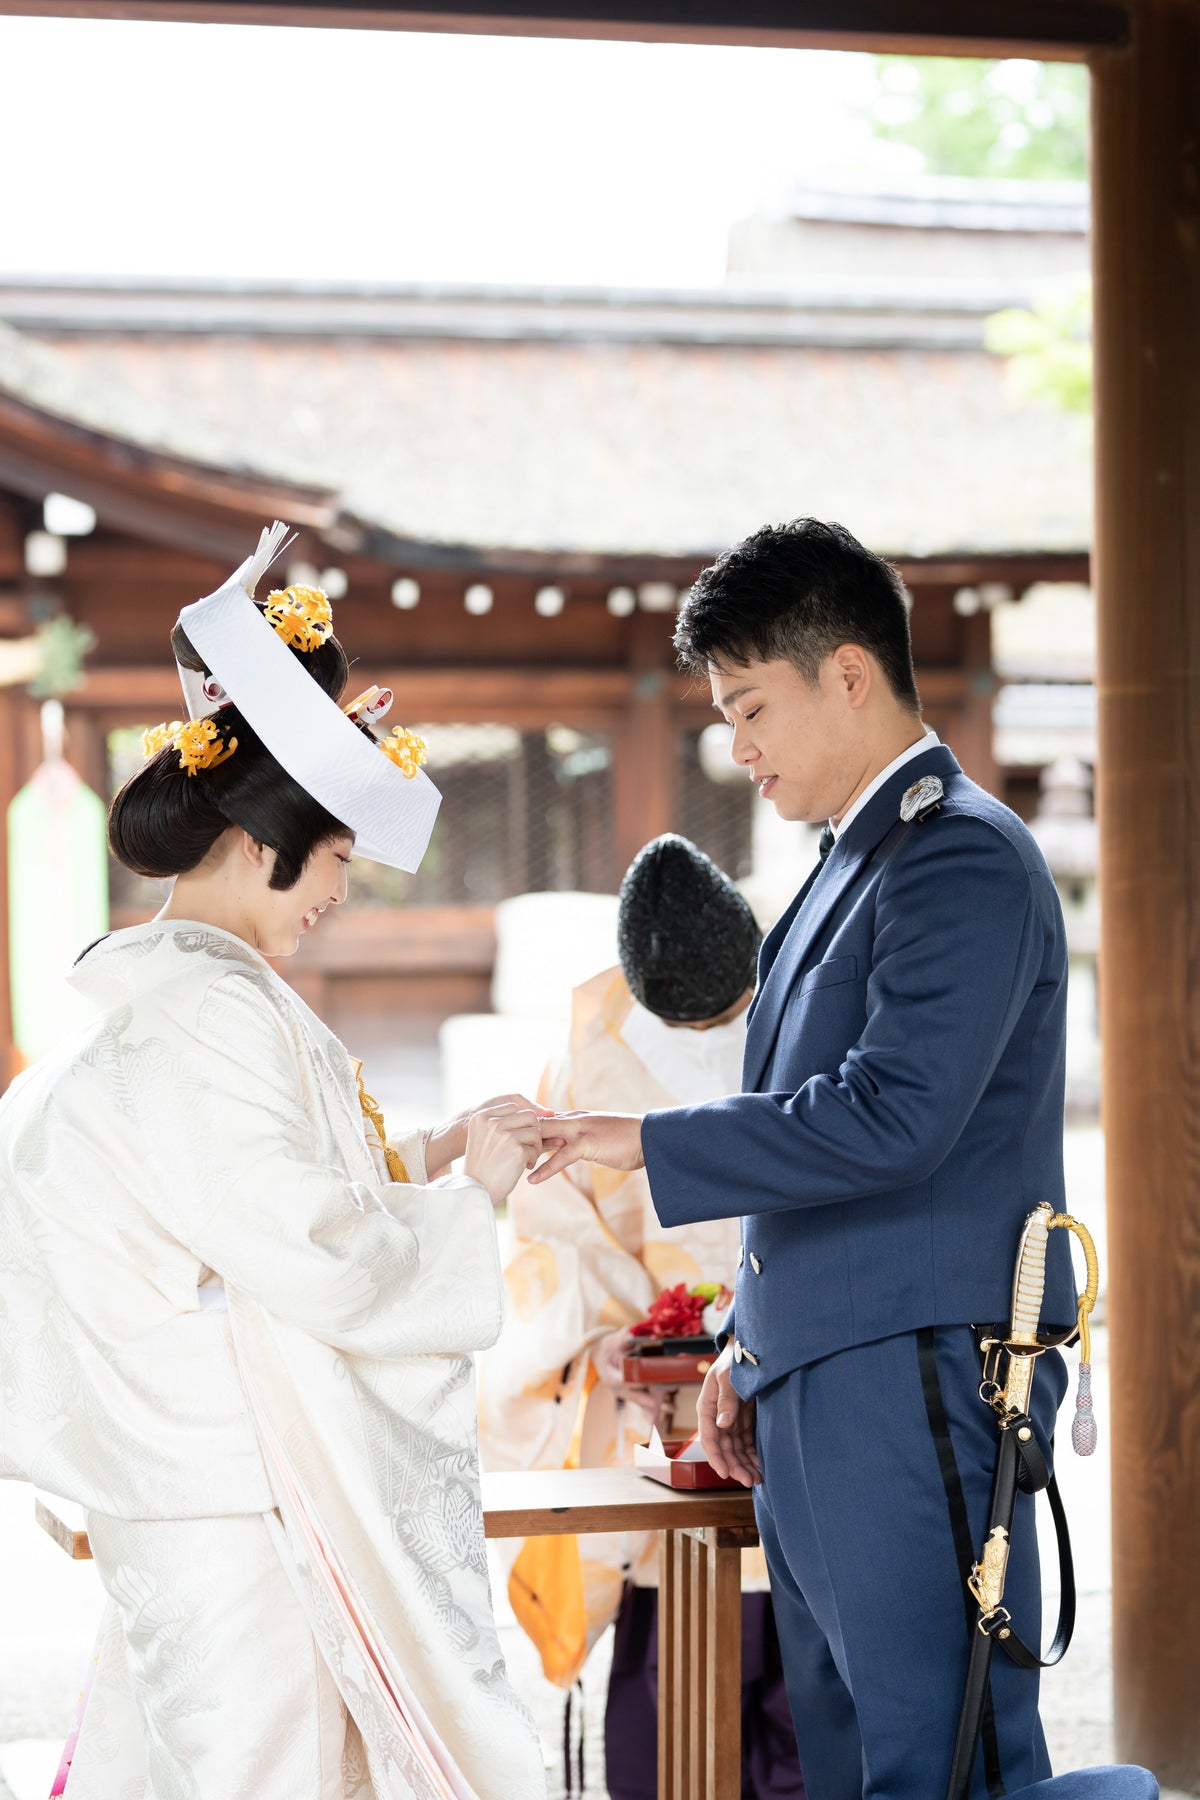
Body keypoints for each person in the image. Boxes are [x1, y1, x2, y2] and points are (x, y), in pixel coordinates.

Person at [530, 518, 1077, 1800]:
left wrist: (644, 1140)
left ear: (847, 672)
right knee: (844, 1756)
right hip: (834, 1381)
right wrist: (752, 1344)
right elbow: (814, 1144)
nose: (741, 748)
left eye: (752, 704)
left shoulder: (959, 856)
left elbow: (892, 1116)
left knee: (940, 1751)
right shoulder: (851, 861)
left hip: (925, 1375)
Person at [0, 525, 548, 1800]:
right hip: (232, 1499)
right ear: (260, 842)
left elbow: (272, 1199)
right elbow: (307, 1251)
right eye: (341, 859)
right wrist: (475, 1200)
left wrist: (430, 1155)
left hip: (208, 1484)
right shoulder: (213, 1010)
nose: (342, 894)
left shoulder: (207, 996)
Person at [479, 835, 804, 1800]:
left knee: (810, 1674)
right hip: (662, 1409)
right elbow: (551, 1237)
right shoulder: (588, 1053)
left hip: (799, 1378)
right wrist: (601, 1345)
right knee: (678, 1688)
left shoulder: (802, 1000)